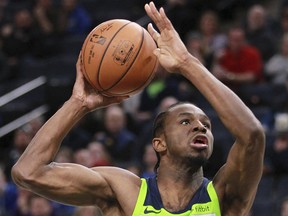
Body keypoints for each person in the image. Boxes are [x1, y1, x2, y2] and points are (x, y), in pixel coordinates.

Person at [11, 2, 265, 215]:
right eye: (186, 121)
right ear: (159, 143)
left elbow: (252, 135)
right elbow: (28, 172)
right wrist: (77, 104)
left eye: (206, 125)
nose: (200, 126)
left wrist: (187, 63)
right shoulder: (125, 191)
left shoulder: (223, 195)